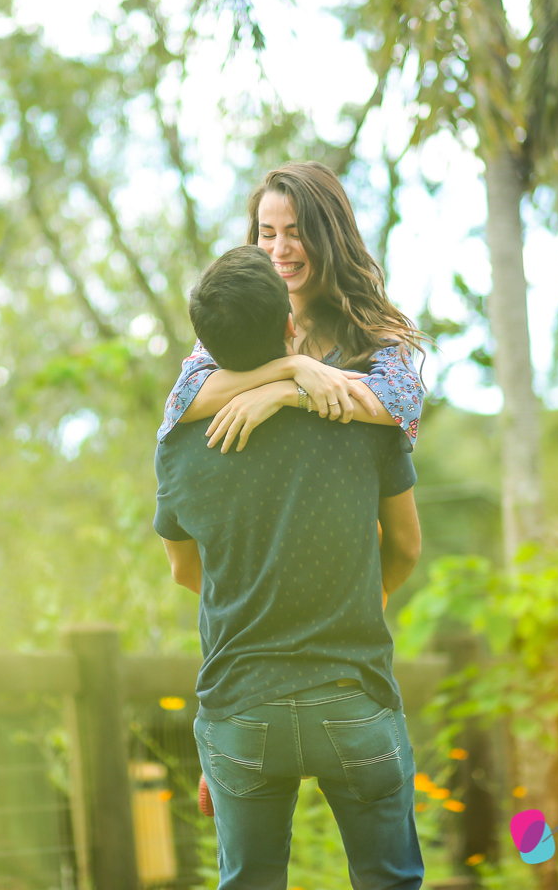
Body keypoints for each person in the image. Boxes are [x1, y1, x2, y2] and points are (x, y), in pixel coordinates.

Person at [154, 245, 424, 889]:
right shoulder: (362, 415)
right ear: (288, 327)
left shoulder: (181, 443)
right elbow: (408, 547)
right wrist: (356, 597)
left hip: (239, 709)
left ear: (206, 345)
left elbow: (186, 572)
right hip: (355, 696)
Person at [157, 161, 424, 456]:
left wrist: (284, 393)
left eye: (296, 234)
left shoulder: (371, 328)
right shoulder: (239, 315)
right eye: (268, 234)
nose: (279, 250)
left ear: (332, 236)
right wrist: (292, 367)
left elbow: (404, 402)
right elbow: (181, 401)